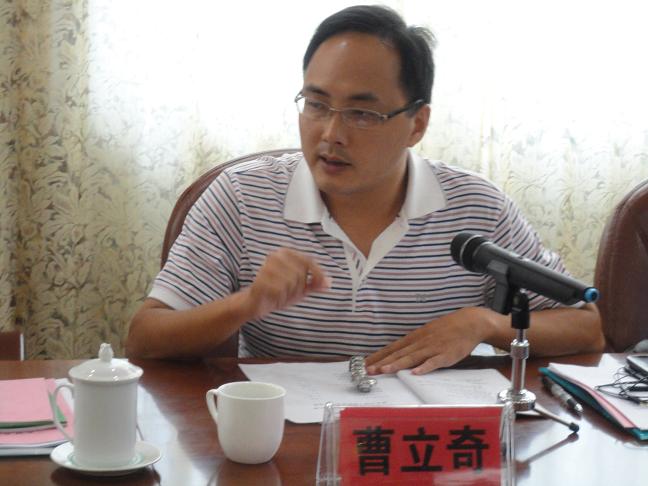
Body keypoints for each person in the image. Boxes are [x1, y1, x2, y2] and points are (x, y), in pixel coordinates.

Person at [126, 5, 604, 373]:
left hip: (423, 445)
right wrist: (246, 304)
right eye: (316, 104)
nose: (331, 133)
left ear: (417, 124)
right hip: (285, 442)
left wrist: (485, 324)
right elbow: (145, 339)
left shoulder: (478, 207)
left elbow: (585, 326)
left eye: (362, 113)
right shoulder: (242, 197)